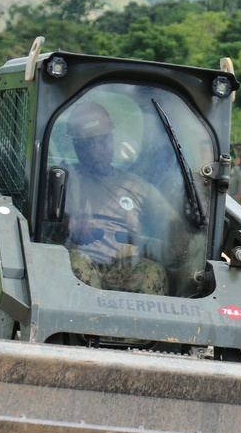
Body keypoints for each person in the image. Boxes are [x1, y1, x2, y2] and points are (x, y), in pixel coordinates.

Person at [60, 101, 173, 295]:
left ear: (112, 138)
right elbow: (42, 222)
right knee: (77, 264)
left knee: (153, 273)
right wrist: (70, 224)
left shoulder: (136, 186)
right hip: (82, 261)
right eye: (89, 144)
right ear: (77, 147)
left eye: (103, 140)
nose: (97, 150)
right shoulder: (63, 179)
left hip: (123, 265)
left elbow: (173, 223)